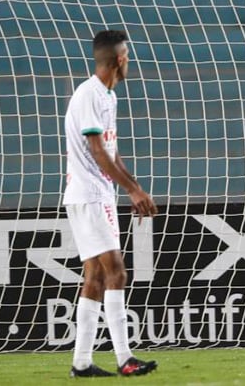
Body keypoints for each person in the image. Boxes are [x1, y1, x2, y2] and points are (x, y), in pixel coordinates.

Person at [63, 30, 158, 377]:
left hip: (95, 195)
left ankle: (82, 362)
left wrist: (134, 186)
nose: (129, 61)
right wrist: (133, 191)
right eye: (127, 55)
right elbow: (98, 152)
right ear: (119, 59)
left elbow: (112, 154)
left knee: (95, 278)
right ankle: (125, 359)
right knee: (117, 272)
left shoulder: (107, 96)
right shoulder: (90, 94)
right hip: (90, 195)